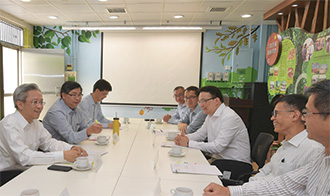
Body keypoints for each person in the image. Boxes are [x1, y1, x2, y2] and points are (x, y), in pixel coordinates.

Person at [203, 79, 330, 196]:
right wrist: (231, 191)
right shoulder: (322, 156)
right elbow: (283, 183)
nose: (304, 118)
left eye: (307, 113)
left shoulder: (313, 149)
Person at [0, 83, 87, 172]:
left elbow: (49, 143)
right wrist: (63, 155)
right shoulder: (9, 125)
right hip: (8, 176)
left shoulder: (36, 123)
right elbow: (24, 157)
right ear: (20, 104)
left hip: (28, 170)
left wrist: (70, 148)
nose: (40, 106)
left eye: (41, 102)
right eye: (35, 102)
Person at [249, 94, 323, 182]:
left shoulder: (312, 149)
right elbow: (265, 172)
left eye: (276, 113)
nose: (272, 118)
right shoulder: (285, 146)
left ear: (294, 116)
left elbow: (290, 188)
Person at [175, 86, 250, 164]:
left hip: (235, 163)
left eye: (204, 101)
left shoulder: (229, 117)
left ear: (216, 101)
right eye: (199, 101)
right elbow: (200, 135)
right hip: (219, 160)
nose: (201, 105)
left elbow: (217, 147)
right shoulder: (210, 116)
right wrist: (183, 138)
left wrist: (188, 143)